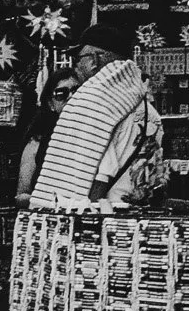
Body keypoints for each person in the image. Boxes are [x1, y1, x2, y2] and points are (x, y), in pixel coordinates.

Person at [29, 24, 166, 209]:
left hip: (106, 215)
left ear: (94, 60)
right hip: (141, 212)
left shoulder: (96, 104)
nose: (77, 65)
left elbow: (100, 175)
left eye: (79, 58)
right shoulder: (149, 110)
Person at [15, 69, 80, 206]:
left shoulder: (93, 135)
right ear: (51, 104)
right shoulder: (38, 141)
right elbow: (22, 195)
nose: (71, 97)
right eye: (61, 94)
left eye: (77, 90)